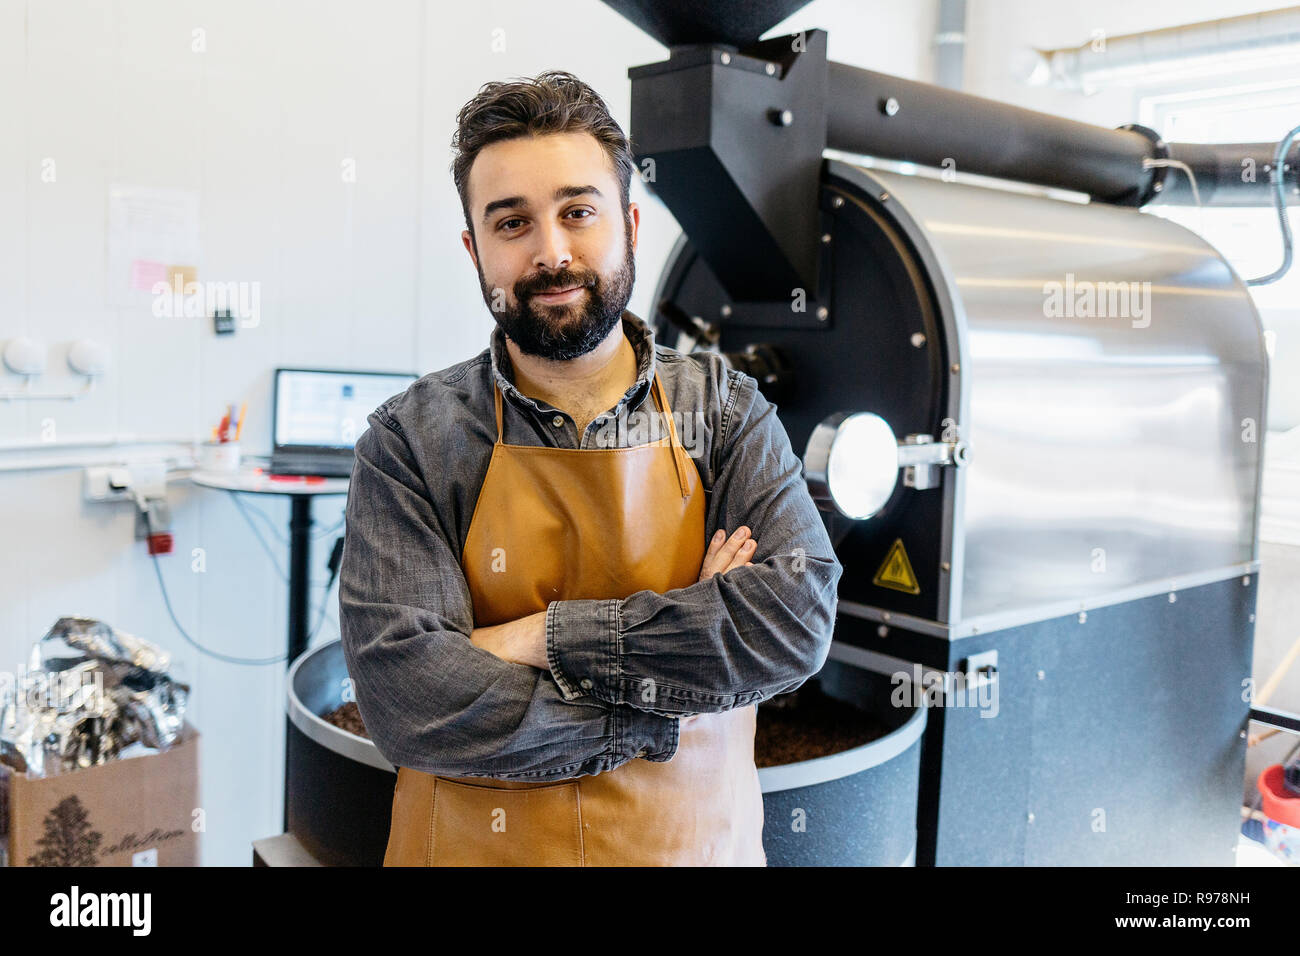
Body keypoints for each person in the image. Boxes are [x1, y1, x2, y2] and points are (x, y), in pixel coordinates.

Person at [339, 70, 843, 866]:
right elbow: (411, 701)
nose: (551, 252)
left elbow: (792, 624)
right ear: (475, 250)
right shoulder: (410, 442)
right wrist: (667, 708)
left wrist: (539, 637)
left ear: (631, 225)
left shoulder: (724, 412)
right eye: (512, 224)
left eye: (578, 211)